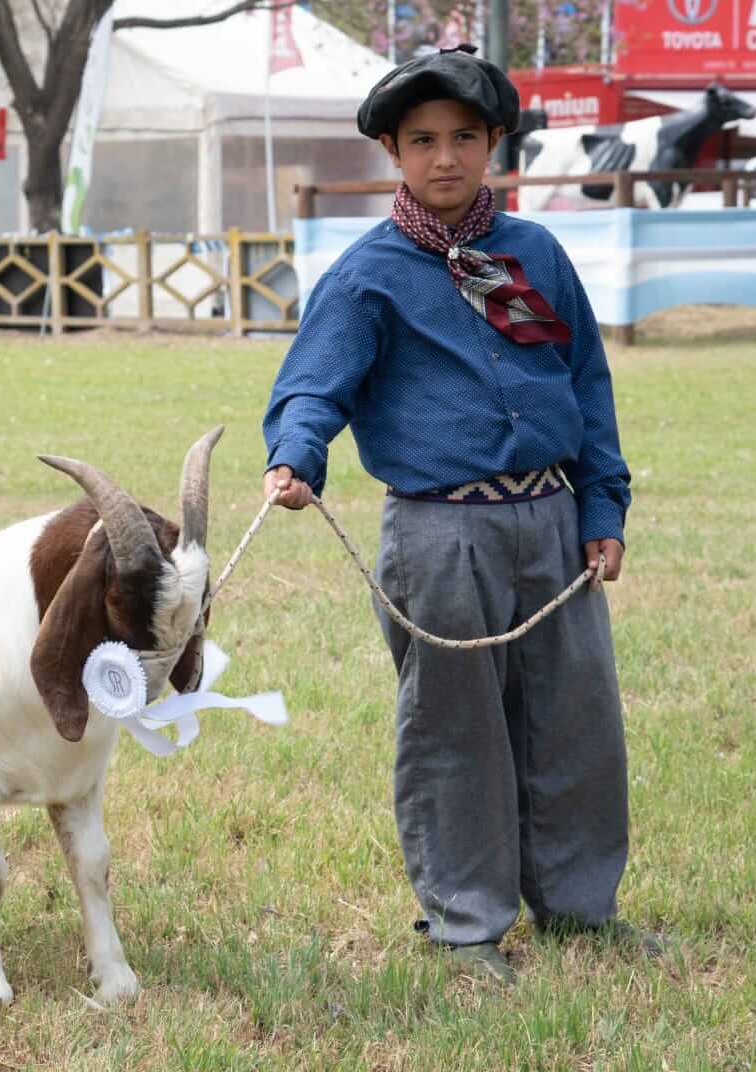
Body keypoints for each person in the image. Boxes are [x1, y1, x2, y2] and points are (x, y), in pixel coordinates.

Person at [259, 45, 654, 984]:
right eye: (424, 140)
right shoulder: (368, 276)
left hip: (552, 520)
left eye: (465, 137)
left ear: (494, 142)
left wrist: (602, 505)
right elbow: (313, 386)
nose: (446, 157)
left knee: (575, 721)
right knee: (455, 726)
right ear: (393, 151)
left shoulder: (537, 254)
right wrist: (295, 456)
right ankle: (466, 924)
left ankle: (579, 908)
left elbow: (587, 387)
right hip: (441, 533)